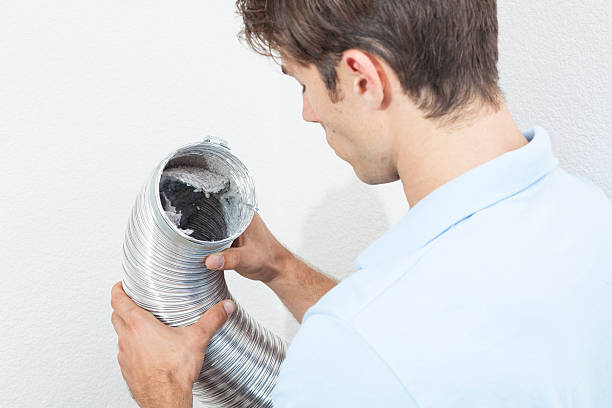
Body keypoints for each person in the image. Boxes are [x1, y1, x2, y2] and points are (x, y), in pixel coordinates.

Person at [110, 1, 612, 406]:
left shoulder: (352, 353)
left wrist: (163, 392)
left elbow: (378, 349)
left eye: (303, 84)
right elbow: (417, 348)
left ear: (362, 79)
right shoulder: (592, 219)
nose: (309, 113)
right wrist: (280, 267)